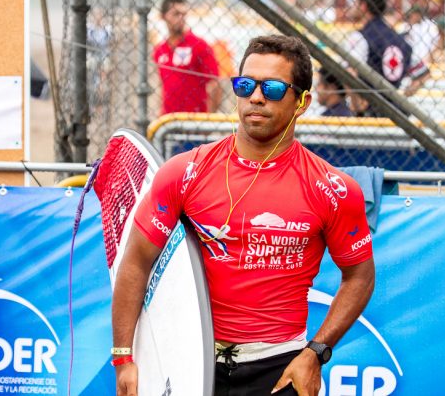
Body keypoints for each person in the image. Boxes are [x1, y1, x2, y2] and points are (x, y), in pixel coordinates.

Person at [112, 35, 375, 395]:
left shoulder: (333, 189)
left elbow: (359, 277)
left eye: (273, 88)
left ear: (302, 102)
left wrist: (316, 352)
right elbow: (136, 262)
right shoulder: (184, 172)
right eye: (246, 84)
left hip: (280, 367)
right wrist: (124, 358)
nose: (255, 97)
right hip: (190, 362)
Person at [345, 0, 413, 114]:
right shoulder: (401, 40)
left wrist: (357, 105)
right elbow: (423, 74)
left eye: (355, 2)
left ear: (363, 6)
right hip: (397, 114)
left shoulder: (359, 37)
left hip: (369, 115)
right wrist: (402, 97)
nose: (351, 6)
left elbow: (350, 74)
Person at [153, 0, 222, 116]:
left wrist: (209, 119)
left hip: (195, 121)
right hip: (168, 120)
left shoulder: (199, 45)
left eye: (184, 14)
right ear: (163, 16)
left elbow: (214, 84)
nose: (181, 18)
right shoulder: (160, 50)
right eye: (176, 14)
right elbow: (163, 87)